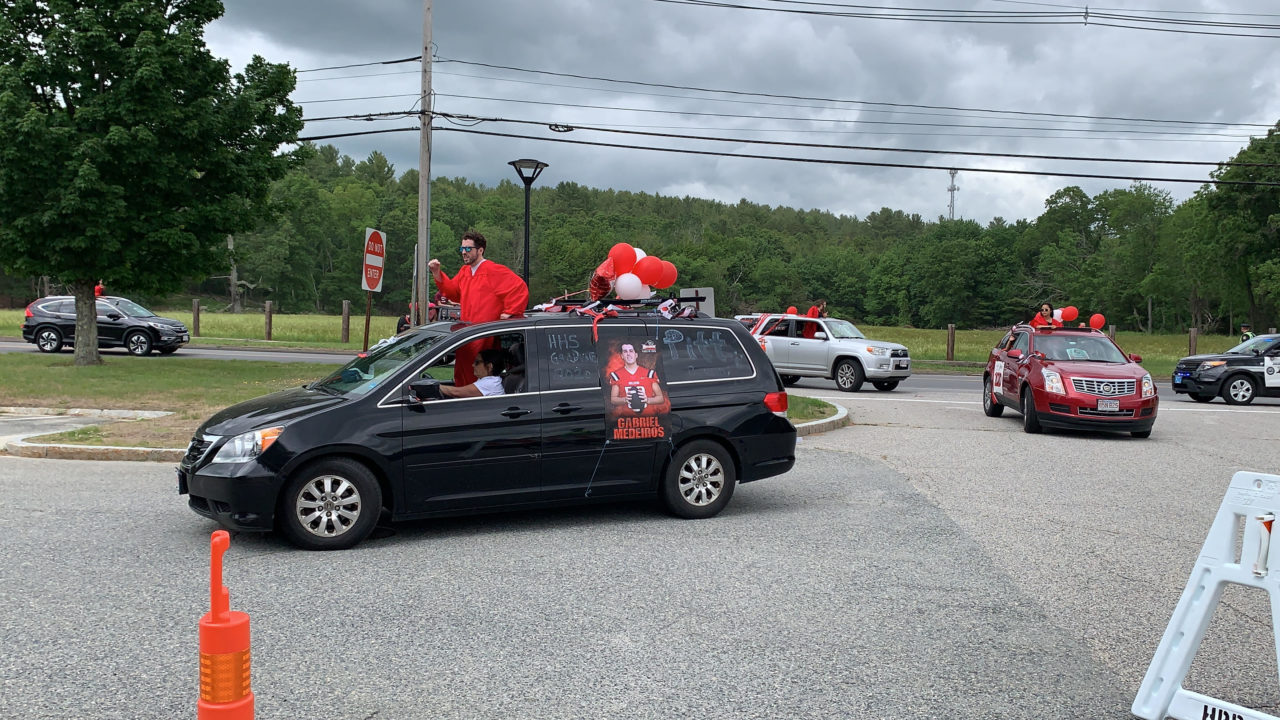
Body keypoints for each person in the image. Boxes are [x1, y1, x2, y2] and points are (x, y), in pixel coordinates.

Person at [427, 230, 529, 385]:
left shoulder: (493, 270)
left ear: (480, 250)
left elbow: (519, 288)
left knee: (478, 374)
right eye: (462, 249)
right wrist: (437, 273)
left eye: (468, 249)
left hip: (483, 334)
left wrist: (510, 312)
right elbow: (453, 293)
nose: (464, 253)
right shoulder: (465, 271)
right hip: (467, 333)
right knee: (463, 371)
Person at [608, 342, 665, 414]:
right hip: (626, 418)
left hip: (648, 417)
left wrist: (647, 400)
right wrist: (625, 399)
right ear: (622, 356)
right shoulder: (616, 375)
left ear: (636, 355)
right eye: (625, 352)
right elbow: (613, 399)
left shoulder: (649, 374)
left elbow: (660, 398)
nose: (628, 354)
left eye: (631, 351)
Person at [439, 349, 508, 399]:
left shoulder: (490, 383)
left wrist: (435, 387)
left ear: (489, 366)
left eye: (477, 362)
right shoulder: (491, 381)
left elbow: (456, 392)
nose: (473, 365)